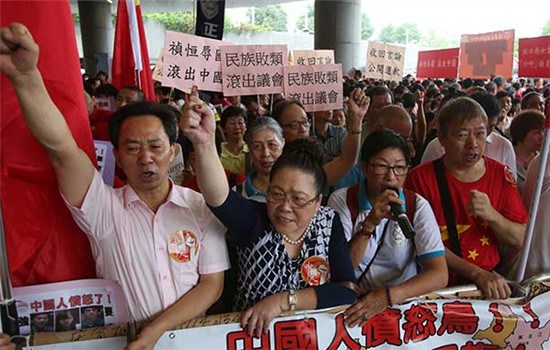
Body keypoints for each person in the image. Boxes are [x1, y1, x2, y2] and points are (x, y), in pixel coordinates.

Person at [0, 23, 229, 350]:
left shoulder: (200, 206)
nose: (146, 158)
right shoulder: (103, 207)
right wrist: (26, 78)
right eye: (133, 148)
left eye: (155, 146)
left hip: (193, 341)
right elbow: (61, 149)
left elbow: (212, 284)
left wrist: (156, 331)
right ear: (118, 158)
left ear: (174, 152)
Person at [180, 88, 360, 337]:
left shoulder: (328, 223)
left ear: (318, 201)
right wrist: (204, 142)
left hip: (311, 339)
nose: (285, 207)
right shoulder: (254, 219)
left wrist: (282, 301)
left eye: (298, 199)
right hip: (252, 339)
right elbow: (217, 196)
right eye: (276, 194)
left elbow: (346, 291)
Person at [406, 97, 528, 299]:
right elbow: (419, 242)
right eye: (462, 135)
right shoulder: (420, 179)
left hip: (488, 287)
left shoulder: (500, 175)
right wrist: (476, 274)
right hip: (436, 288)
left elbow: (518, 238)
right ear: (442, 139)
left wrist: (492, 215)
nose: (473, 144)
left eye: (480, 134)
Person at [328, 129, 447, 326]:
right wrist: (369, 224)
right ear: (364, 168)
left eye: (400, 168)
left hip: (401, 307)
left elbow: (439, 274)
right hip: (354, 307)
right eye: (382, 167)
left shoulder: (416, 205)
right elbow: (342, 268)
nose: (391, 177)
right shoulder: (343, 201)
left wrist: (388, 297)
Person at [271, 90, 369, 187]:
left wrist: (356, 120)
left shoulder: (315, 159)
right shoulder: (269, 160)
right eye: (294, 125)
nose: (302, 129)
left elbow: (346, 161)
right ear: (278, 128)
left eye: (305, 122)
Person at [240, 117, 285, 201]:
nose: (266, 154)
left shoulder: (297, 189)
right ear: (249, 149)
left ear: (282, 143)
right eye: (257, 146)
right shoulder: (237, 194)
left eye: (272, 145)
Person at [509, 110, 545, 194]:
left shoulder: (542, 160)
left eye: (544, 132)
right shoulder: (507, 156)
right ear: (521, 133)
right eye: (536, 133)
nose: (542, 137)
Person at [219, 106, 249, 175]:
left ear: (246, 127)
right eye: (232, 123)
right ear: (223, 128)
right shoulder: (218, 151)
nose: (237, 127)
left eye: (240, 122)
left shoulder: (251, 151)